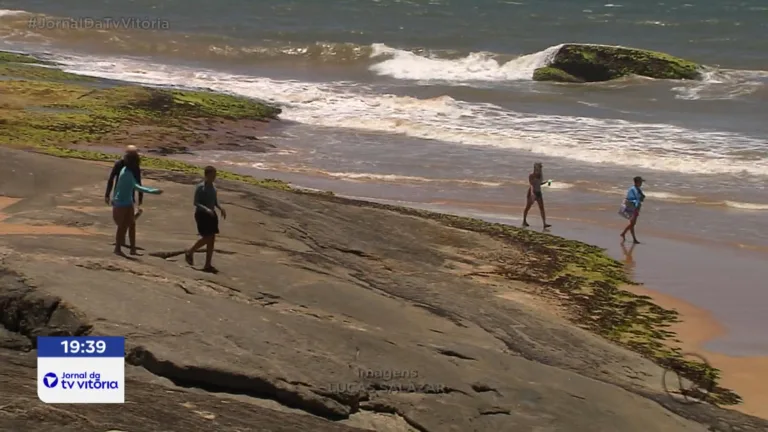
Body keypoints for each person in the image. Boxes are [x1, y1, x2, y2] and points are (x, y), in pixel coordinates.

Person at [111, 151, 162, 255]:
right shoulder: (127, 174)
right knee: (122, 226)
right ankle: (117, 248)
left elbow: (119, 186)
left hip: (127, 201)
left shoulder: (125, 170)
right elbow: (137, 186)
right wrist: (153, 191)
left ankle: (132, 249)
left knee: (132, 224)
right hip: (121, 203)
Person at [185, 166, 227, 272]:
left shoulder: (213, 187)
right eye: (212, 175)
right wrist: (206, 209)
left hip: (212, 215)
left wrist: (221, 208)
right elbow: (196, 202)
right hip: (202, 215)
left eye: (215, 175)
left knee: (212, 240)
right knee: (207, 237)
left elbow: (215, 201)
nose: (214, 177)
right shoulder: (200, 187)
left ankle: (207, 264)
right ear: (206, 175)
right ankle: (190, 251)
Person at [105, 145, 144, 248]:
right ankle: (120, 243)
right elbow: (111, 179)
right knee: (123, 222)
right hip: (120, 196)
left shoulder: (134, 167)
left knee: (128, 222)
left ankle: (123, 244)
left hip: (128, 196)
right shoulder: (119, 164)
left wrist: (140, 198)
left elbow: (138, 182)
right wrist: (107, 194)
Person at [522, 162, 551, 228]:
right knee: (528, 207)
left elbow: (539, 184)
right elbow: (532, 185)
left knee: (542, 208)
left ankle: (544, 223)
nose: (540, 170)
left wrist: (546, 182)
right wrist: (532, 194)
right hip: (532, 192)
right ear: (535, 168)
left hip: (538, 193)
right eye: (539, 168)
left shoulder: (540, 175)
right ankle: (524, 221)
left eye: (541, 168)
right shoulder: (531, 175)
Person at [620, 176, 645, 244]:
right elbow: (636, 199)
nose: (641, 183)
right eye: (640, 182)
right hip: (632, 207)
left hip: (634, 207)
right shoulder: (634, 189)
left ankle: (629, 236)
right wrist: (636, 208)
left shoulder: (637, 189)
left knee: (632, 223)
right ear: (637, 182)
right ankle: (624, 234)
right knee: (633, 223)